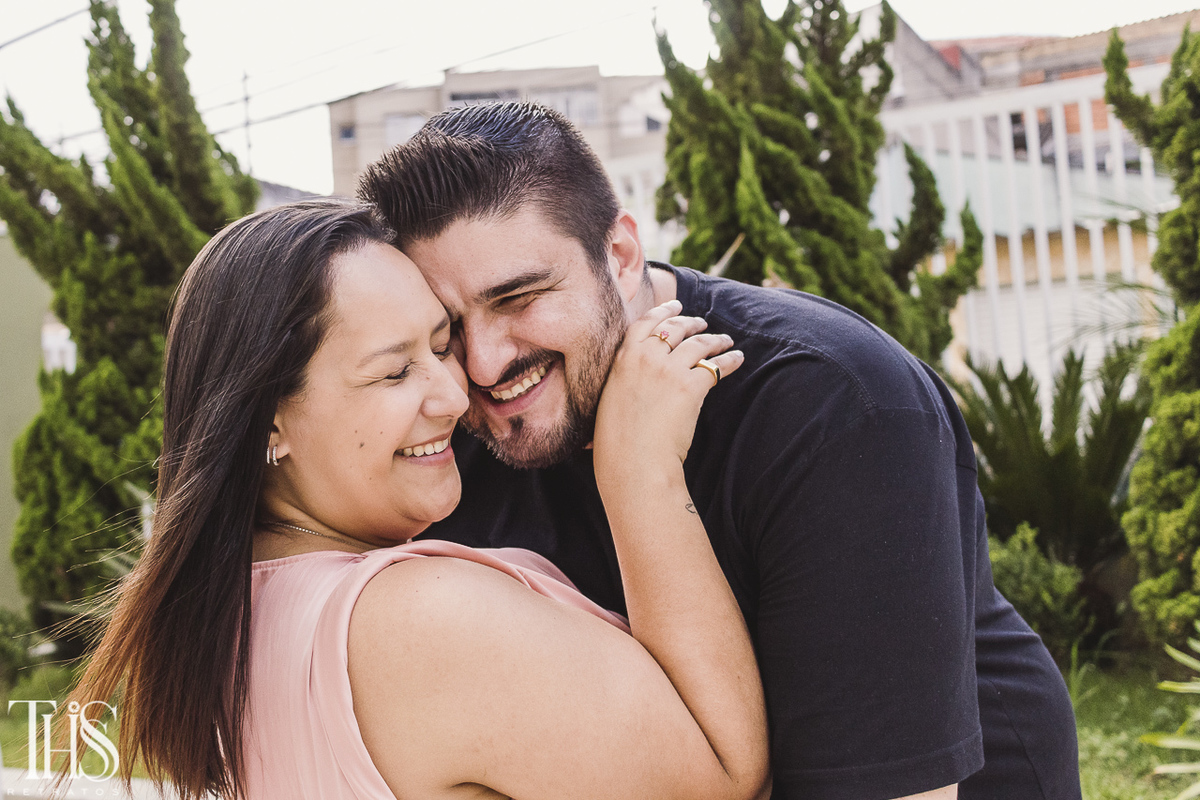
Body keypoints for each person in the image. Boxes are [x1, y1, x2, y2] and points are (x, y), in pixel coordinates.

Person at [357, 101, 1084, 800]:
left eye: (518, 299)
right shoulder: (447, 434)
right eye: (451, 326)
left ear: (619, 255)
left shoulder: (835, 406)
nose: (483, 365)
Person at [61, 198, 771, 800]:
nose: (456, 393)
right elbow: (723, 775)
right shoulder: (417, 622)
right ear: (270, 422)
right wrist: (639, 470)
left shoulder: (237, 620)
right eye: (395, 372)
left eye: (442, 344)